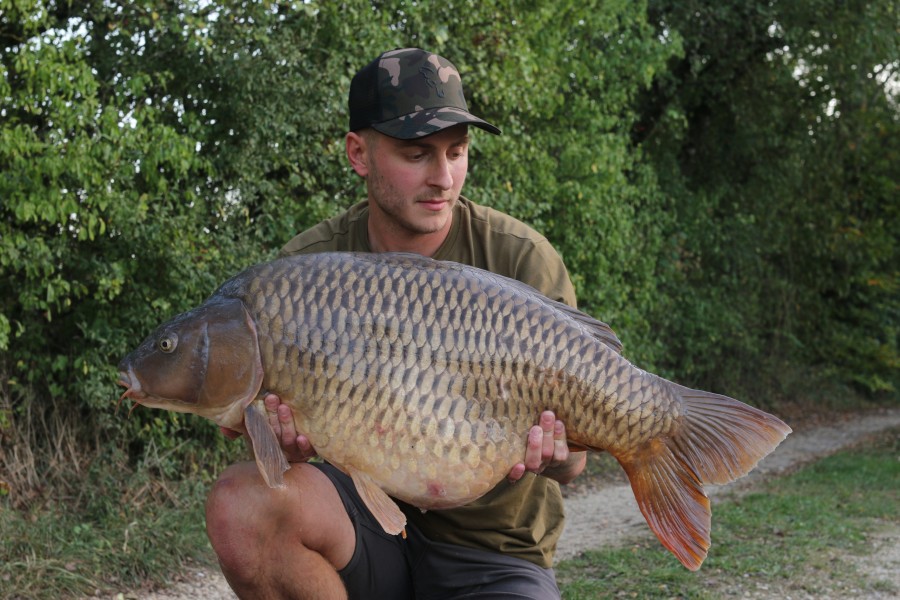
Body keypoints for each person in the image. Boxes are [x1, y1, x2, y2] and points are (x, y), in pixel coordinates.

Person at [205, 47, 587, 600]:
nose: (443, 178)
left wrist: (562, 451)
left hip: (491, 553)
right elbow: (279, 466)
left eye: (457, 153)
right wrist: (284, 447)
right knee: (242, 504)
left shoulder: (519, 260)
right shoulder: (304, 273)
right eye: (417, 155)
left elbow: (573, 467)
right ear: (359, 153)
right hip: (357, 534)